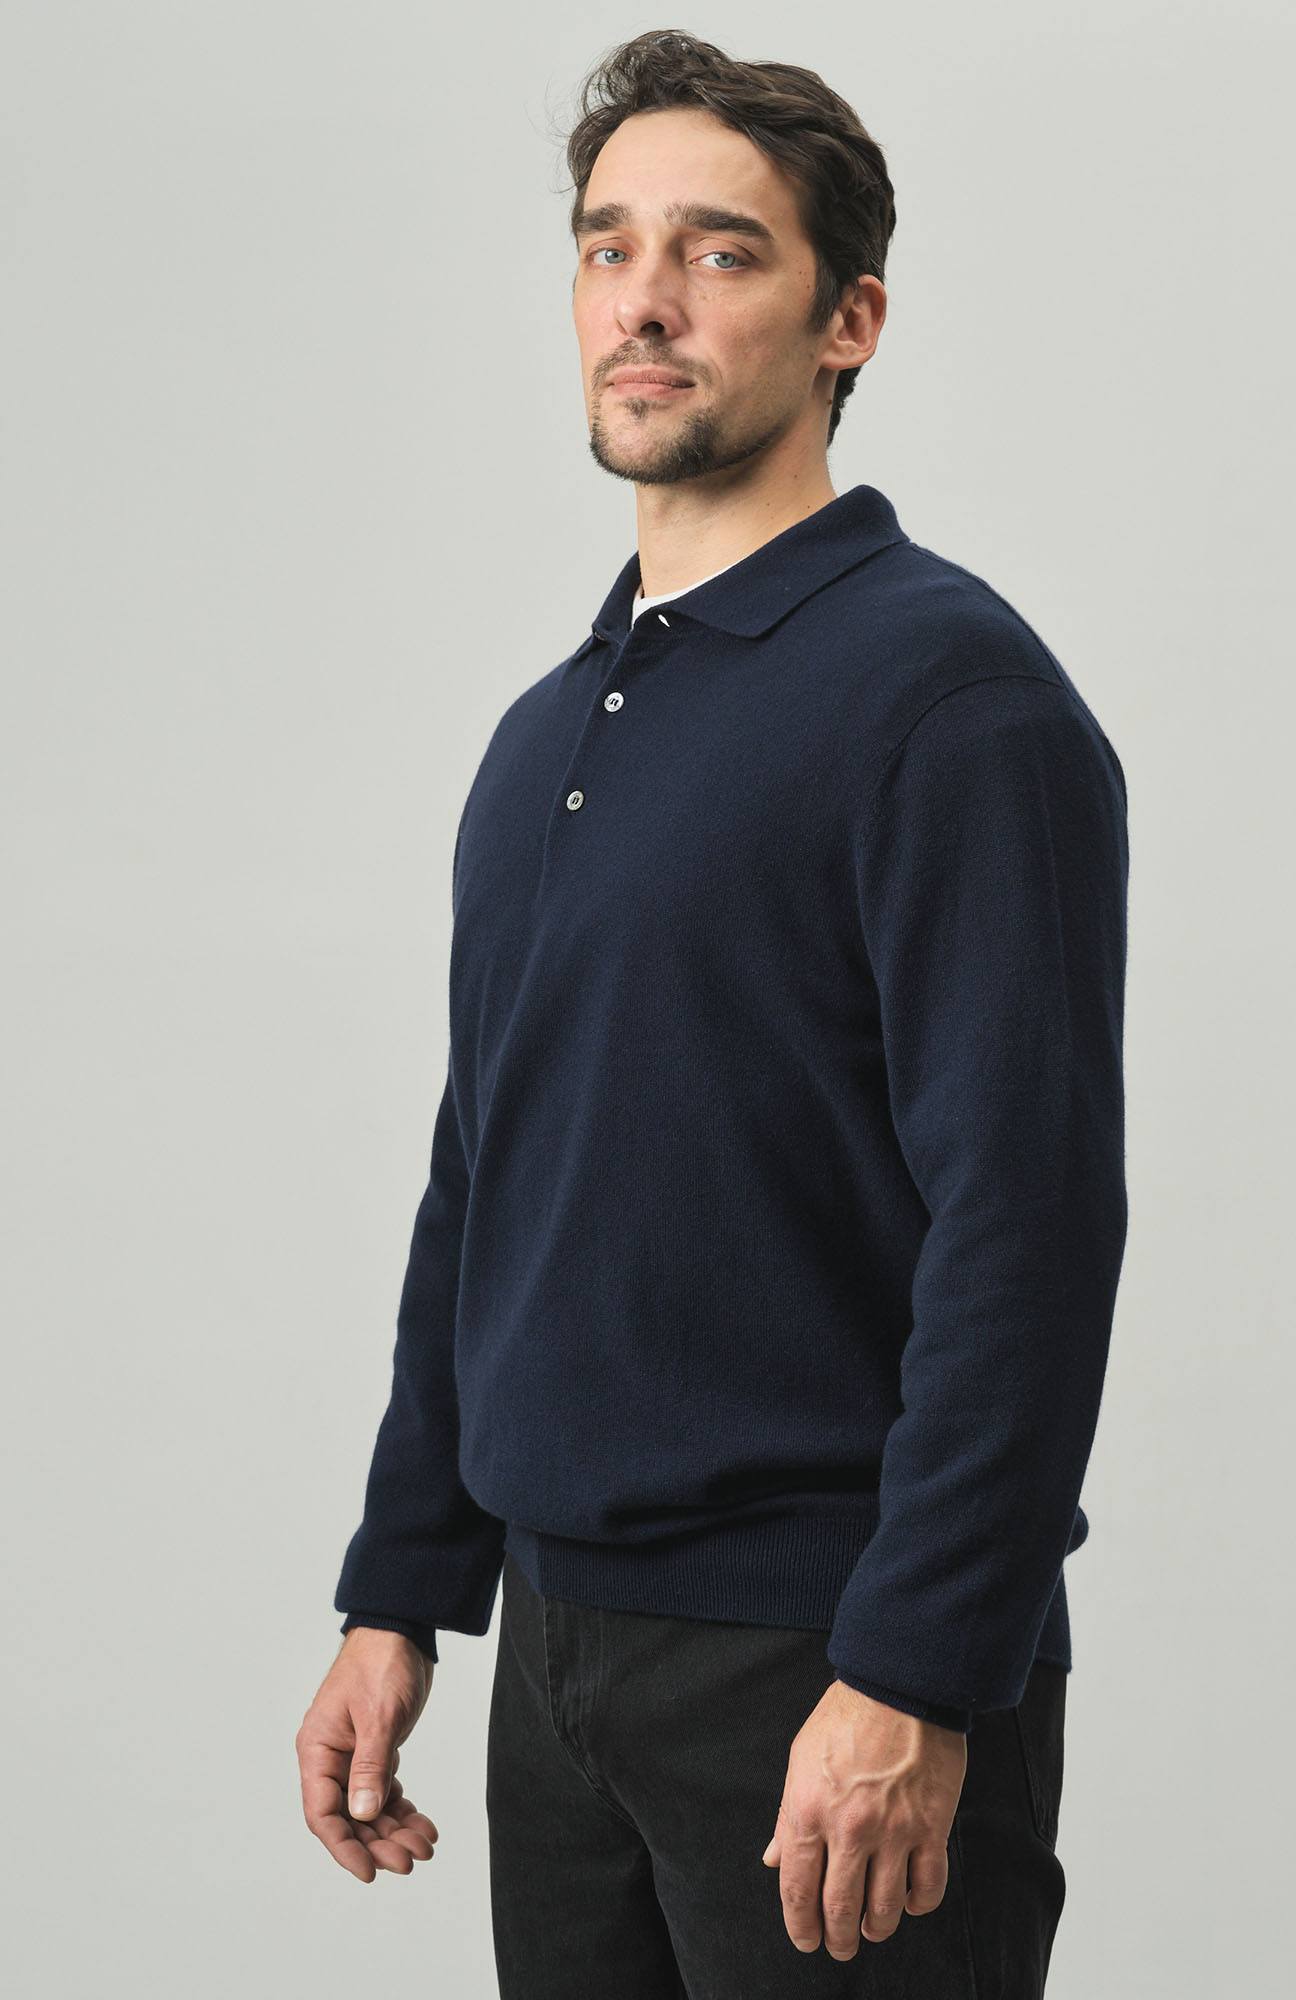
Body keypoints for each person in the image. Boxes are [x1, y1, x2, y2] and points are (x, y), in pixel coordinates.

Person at [295, 27, 1129, 1997]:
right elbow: (487, 1176)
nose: (644, 300)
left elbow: (1028, 1217)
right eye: (608, 246)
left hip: (830, 1661)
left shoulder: (952, 702)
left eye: (720, 251)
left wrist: (916, 1667)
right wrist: (404, 1586)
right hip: (559, 1662)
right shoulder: (546, 734)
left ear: (851, 320)